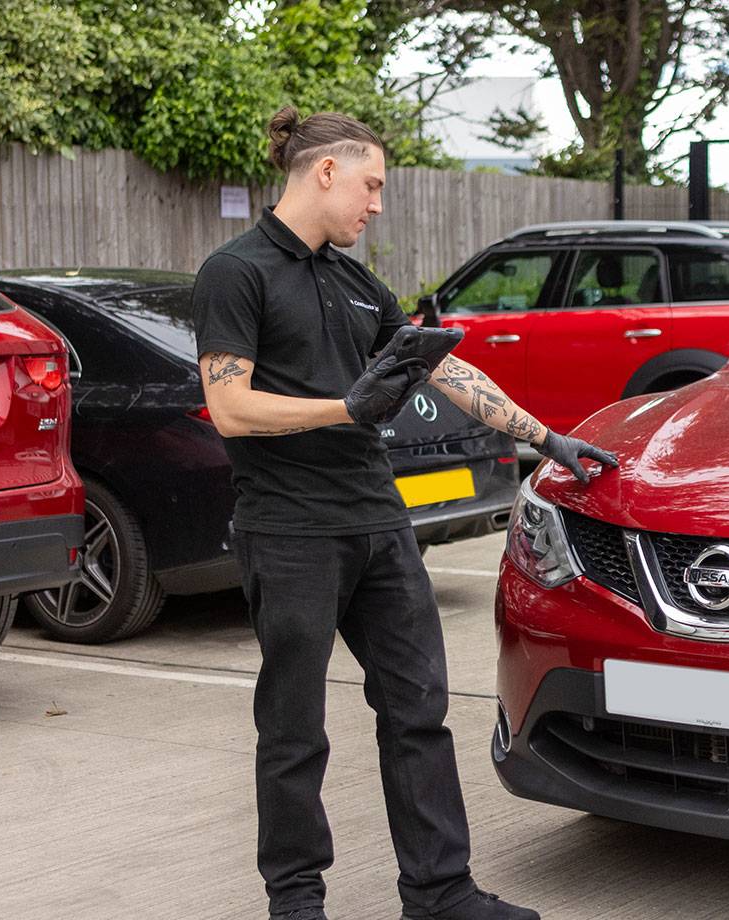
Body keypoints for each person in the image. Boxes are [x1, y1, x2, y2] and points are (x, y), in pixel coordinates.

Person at [192, 107, 617, 920]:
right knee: (294, 730)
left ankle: (439, 892)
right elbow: (230, 408)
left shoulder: (356, 281)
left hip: (378, 525)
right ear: (324, 171)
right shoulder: (236, 272)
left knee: (419, 711)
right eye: (371, 184)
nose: (377, 203)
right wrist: (342, 409)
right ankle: (296, 904)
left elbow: (444, 371)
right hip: (289, 531)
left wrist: (547, 438)